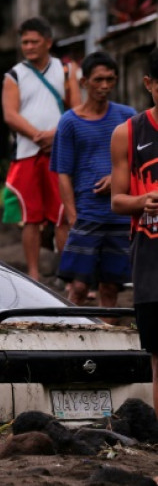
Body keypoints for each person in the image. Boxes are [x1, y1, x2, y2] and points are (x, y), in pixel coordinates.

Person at [51, 52, 136, 310]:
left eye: (110, 79)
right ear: (85, 82)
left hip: (120, 215)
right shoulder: (69, 122)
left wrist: (118, 178)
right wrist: (72, 216)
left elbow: (141, 161)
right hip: (87, 213)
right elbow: (62, 172)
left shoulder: (128, 116)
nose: (105, 86)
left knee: (111, 287)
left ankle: (108, 345)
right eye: (98, 79)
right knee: (78, 287)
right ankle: (72, 340)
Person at [1, 17, 80, 280]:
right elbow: (10, 115)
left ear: (49, 42)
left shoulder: (67, 71)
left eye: (34, 41)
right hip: (26, 152)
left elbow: (77, 110)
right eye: (25, 42)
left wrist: (56, 135)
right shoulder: (14, 75)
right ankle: (33, 274)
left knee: (62, 214)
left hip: (61, 152)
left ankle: (64, 272)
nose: (29, 46)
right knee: (30, 217)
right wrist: (38, 136)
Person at [110, 46, 158, 416]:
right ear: (149, 84)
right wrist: (144, 202)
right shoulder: (128, 133)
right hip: (151, 260)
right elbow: (118, 200)